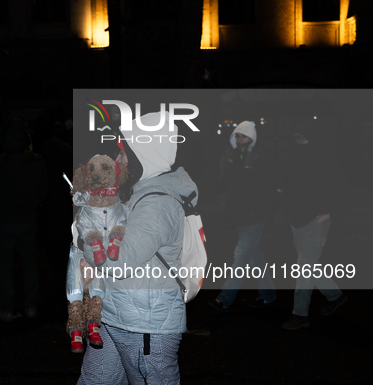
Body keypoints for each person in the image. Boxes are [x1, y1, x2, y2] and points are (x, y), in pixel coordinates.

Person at [78, 111, 197, 385]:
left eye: (124, 152)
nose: (118, 160)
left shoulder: (156, 203)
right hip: (115, 315)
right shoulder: (138, 192)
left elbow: (117, 262)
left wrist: (85, 237)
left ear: (146, 154)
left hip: (145, 325)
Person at [281, 121, 350, 330]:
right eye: (296, 139)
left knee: (304, 267)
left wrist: (329, 215)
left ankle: (299, 314)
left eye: (303, 138)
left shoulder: (327, 161)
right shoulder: (295, 160)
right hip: (296, 220)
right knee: (309, 266)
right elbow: (291, 187)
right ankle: (335, 296)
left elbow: (343, 193)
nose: (299, 142)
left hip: (316, 221)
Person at [0, 118, 47, 321]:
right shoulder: (37, 161)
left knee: (4, 266)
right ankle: (31, 306)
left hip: (3, 220)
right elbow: (43, 191)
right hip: (27, 217)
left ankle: (7, 308)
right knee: (30, 263)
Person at [209, 121, 277, 312]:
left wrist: (260, 209)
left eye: (244, 136)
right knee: (256, 258)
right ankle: (269, 295)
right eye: (237, 136)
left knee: (240, 257)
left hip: (254, 216)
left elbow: (266, 186)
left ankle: (224, 298)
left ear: (252, 137)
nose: (240, 139)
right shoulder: (233, 156)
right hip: (239, 215)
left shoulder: (260, 157)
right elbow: (230, 186)